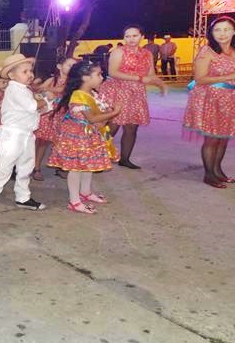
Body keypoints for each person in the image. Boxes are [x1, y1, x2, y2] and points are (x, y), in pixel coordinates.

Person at [183, 16, 235, 188]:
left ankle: (218, 171)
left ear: (234, 31)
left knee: (224, 138)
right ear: (211, 33)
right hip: (210, 98)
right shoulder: (206, 51)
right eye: (217, 30)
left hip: (231, 99)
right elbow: (200, 79)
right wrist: (233, 77)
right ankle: (209, 174)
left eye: (226, 29)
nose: (222, 34)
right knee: (212, 139)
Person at [0, 55, 48, 220]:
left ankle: (23, 197)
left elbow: (35, 110)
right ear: (11, 75)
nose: (30, 74)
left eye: (30, 71)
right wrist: (47, 99)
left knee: (26, 167)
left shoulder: (24, 89)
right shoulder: (14, 88)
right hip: (13, 134)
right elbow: (32, 106)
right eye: (25, 71)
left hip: (26, 133)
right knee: (4, 167)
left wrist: (44, 104)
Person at [48, 60, 121, 214]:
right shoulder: (78, 96)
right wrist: (115, 112)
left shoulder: (92, 93)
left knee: (88, 165)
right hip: (77, 138)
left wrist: (107, 113)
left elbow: (99, 116)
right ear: (85, 77)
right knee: (75, 168)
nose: (102, 77)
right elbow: (92, 119)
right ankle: (74, 201)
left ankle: (85, 192)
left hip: (89, 136)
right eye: (99, 74)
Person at [98, 25, 166, 170]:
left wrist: (159, 83)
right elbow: (113, 72)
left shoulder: (147, 54)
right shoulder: (118, 52)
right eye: (128, 36)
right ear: (124, 38)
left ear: (141, 37)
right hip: (118, 90)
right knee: (112, 126)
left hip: (136, 94)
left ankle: (125, 158)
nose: (131, 39)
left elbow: (151, 73)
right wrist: (140, 78)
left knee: (131, 128)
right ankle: (98, 157)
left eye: (135, 35)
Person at [34, 57, 77, 180]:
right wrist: (39, 87)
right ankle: (36, 168)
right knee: (42, 142)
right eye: (69, 65)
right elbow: (39, 89)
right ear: (59, 66)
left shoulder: (73, 82)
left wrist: (47, 90)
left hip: (65, 116)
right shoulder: (52, 80)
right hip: (49, 115)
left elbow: (63, 90)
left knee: (62, 143)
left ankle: (61, 166)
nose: (71, 68)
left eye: (74, 66)